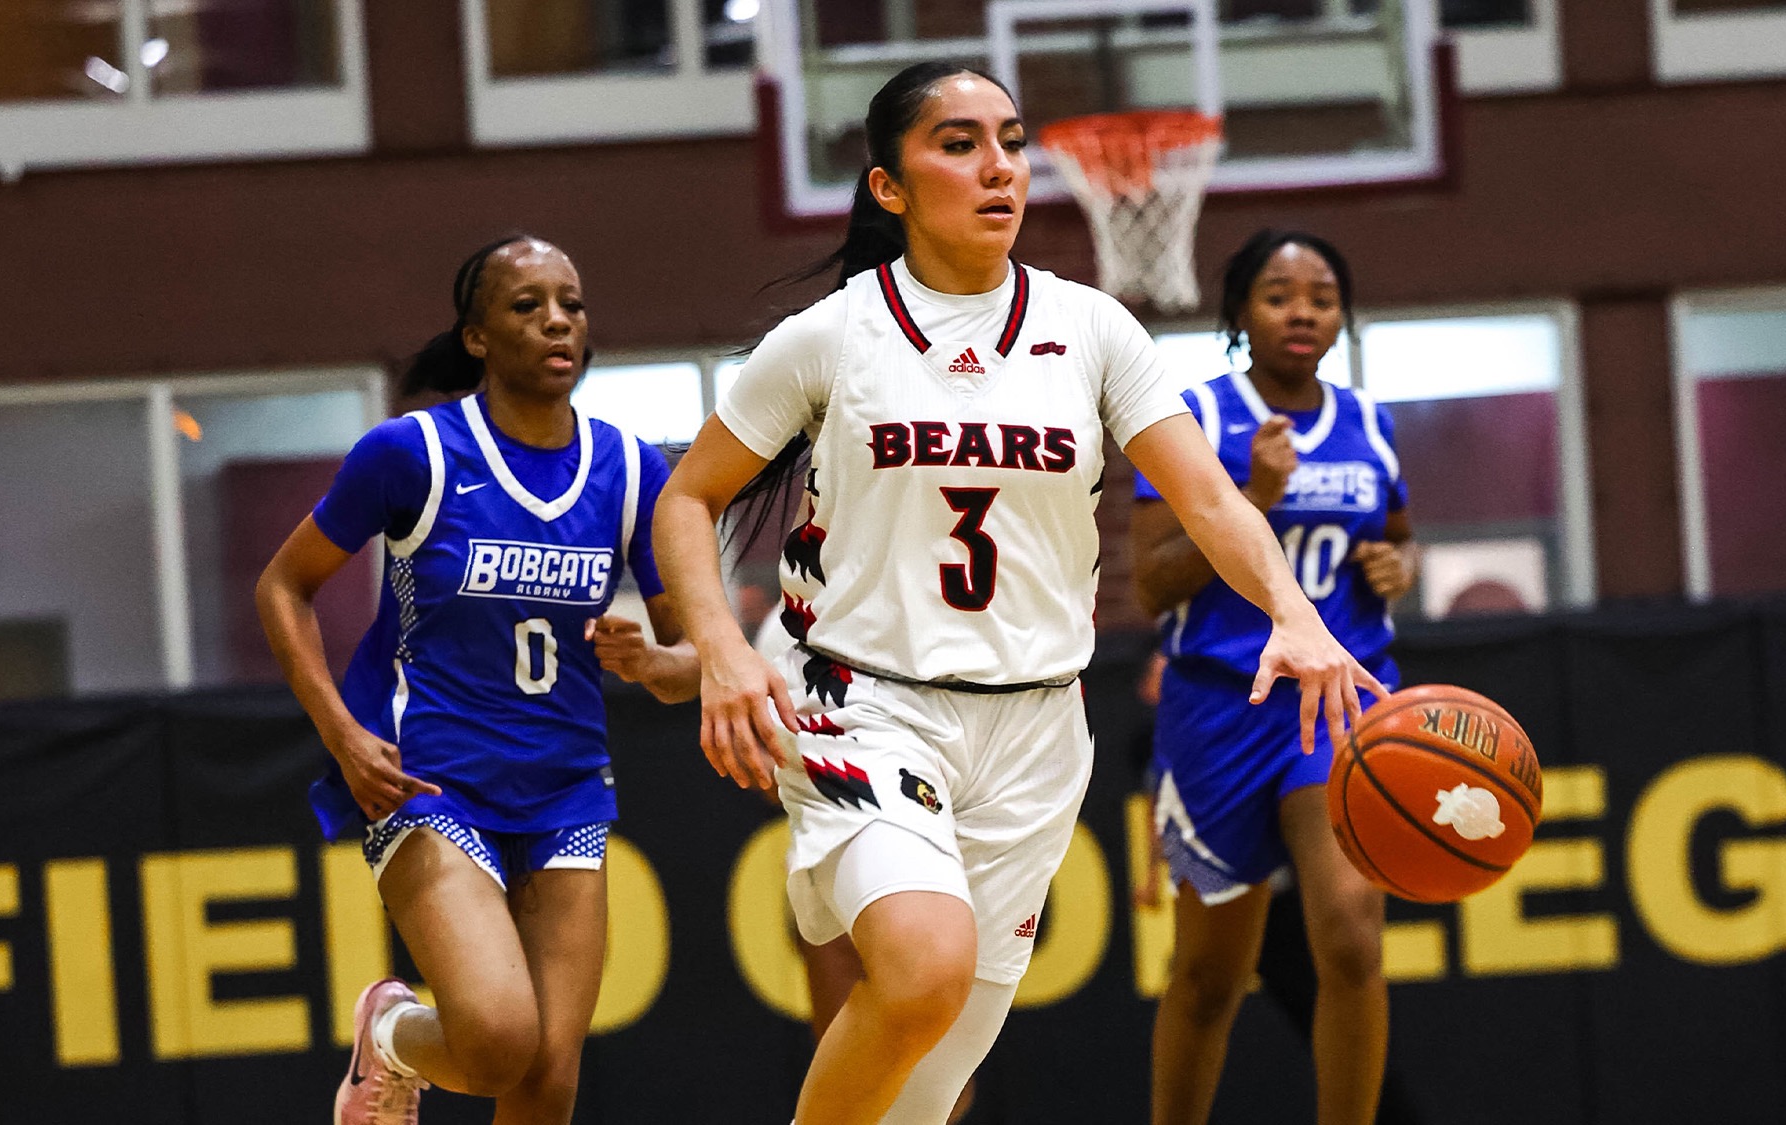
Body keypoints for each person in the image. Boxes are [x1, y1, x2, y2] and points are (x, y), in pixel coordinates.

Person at [651, 62, 1382, 1125]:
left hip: (1036, 726)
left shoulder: (1092, 331)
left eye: (1010, 138)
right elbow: (685, 500)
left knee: (930, 1081)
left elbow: (1214, 503)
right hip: (863, 699)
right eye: (957, 144)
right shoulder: (831, 337)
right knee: (920, 967)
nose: (998, 166)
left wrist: (1296, 615)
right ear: (887, 187)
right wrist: (719, 644)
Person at [255, 235, 698, 1125]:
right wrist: (344, 735)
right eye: (527, 305)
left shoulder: (631, 469)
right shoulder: (411, 452)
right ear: (477, 337)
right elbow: (283, 586)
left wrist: (655, 662)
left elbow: (696, 661)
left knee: (548, 1083)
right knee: (497, 1042)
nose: (557, 321)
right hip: (429, 777)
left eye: (571, 303)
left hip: (567, 783)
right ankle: (389, 1035)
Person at [1130, 229, 1418, 1125]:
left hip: (1337, 702)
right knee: (1211, 975)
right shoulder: (1198, 421)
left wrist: (1396, 568)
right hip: (1222, 707)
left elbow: (1396, 537)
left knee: (1350, 938)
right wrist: (1247, 496)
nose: (1303, 312)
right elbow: (1150, 582)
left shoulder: (1370, 423)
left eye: (1322, 297)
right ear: (1239, 314)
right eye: (1279, 294)